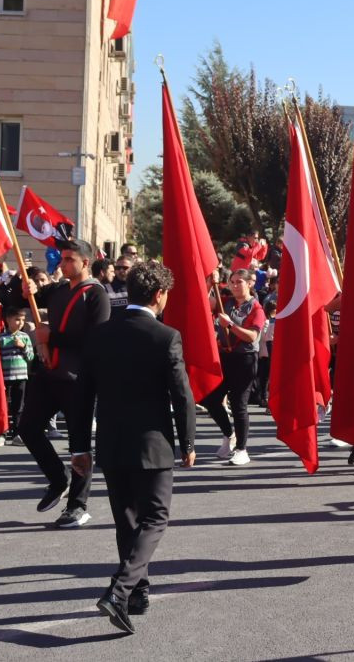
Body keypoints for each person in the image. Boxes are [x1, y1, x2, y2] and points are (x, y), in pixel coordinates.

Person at [70, 260, 196, 636]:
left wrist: (79, 447)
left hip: (110, 443)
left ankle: (138, 593)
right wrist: (188, 441)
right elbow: (182, 395)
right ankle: (120, 589)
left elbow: (81, 397)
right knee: (155, 518)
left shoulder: (99, 335)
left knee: (127, 521)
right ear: (159, 295)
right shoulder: (165, 336)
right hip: (152, 444)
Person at [20, 238, 112, 529]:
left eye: (69, 259)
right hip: (49, 374)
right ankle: (57, 479)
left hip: (78, 380)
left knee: (79, 443)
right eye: (62, 259)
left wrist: (51, 337)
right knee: (27, 428)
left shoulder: (97, 295)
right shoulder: (58, 289)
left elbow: (96, 340)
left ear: (85, 263)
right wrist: (27, 289)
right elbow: (18, 298)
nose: (62, 264)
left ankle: (77, 505)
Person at [200, 268, 266, 465]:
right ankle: (229, 434)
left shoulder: (256, 308)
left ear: (249, 284)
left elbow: (253, 336)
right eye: (232, 282)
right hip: (224, 359)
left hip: (245, 360)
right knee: (210, 399)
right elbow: (203, 302)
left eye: (240, 282)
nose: (235, 285)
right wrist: (210, 283)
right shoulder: (225, 302)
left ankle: (242, 449)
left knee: (239, 404)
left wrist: (230, 326)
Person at [0, 306, 34, 446]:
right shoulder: (1, 337)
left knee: (18, 407)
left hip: (20, 377)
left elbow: (30, 357)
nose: (20, 323)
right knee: (4, 406)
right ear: (8, 320)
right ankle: (2, 433)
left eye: (22, 320)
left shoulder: (24, 337)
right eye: (17, 319)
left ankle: (17, 434)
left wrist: (23, 347)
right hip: (5, 378)